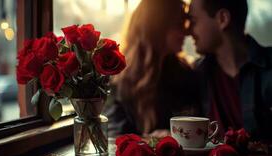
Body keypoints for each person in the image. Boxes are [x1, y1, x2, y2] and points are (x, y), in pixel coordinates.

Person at [105, 0, 200, 137]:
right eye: (179, 24)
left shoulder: (187, 74)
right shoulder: (119, 80)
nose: (186, 32)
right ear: (157, 27)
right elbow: (115, 138)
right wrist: (149, 141)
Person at [189, 0, 272, 140]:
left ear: (222, 19)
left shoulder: (269, 68)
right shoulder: (198, 75)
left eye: (194, 20)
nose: (188, 30)